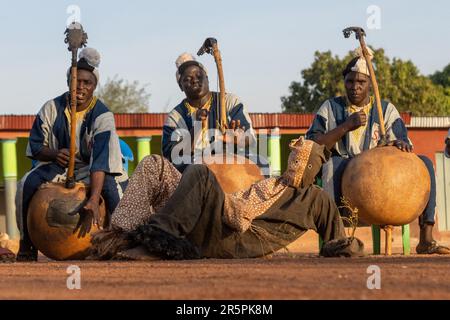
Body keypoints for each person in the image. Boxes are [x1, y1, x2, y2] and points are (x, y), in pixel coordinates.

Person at [89, 137, 364, 261]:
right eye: (295, 156)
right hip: (218, 218)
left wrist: (348, 244)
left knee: (199, 173)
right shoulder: (274, 184)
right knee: (153, 164)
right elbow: (236, 204)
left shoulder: (317, 199)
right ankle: (118, 237)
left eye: (305, 160)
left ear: (314, 168)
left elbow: (338, 244)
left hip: (228, 236)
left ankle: (158, 241)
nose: (297, 163)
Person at [306, 48, 449, 255]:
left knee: (425, 162)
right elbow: (313, 142)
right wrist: (345, 126)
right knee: (330, 165)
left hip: (378, 176)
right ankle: (335, 238)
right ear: (344, 82)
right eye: (350, 82)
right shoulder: (330, 107)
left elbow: (403, 140)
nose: (354, 87)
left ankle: (426, 238)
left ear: (370, 85)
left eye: (361, 83)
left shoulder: (385, 109)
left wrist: (400, 144)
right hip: (344, 171)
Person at [15, 48, 128, 261]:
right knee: (25, 185)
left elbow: (101, 162)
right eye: (77, 81)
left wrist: (94, 199)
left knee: (113, 192)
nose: (81, 87)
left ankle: (121, 243)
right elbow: (36, 146)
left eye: (88, 83)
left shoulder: (103, 115)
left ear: (94, 86)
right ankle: (26, 242)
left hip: (94, 169)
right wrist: (55, 154)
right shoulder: (50, 108)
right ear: (69, 81)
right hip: (57, 166)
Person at [162, 53, 263, 173]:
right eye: (187, 79)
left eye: (199, 76)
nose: (194, 81)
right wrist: (197, 128)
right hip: (195, 169)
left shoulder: (229, 102)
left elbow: (250, 139)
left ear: (207, 78)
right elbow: (171, 155)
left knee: (260, 163)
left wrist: (237, 138)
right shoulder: (175, 116)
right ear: (181, 86)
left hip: (231, 162)